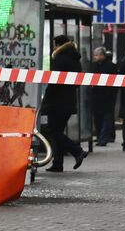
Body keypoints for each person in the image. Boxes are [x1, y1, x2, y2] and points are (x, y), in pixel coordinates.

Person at [41, 35, 88, 172]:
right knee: (58, 131)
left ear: (59, 45)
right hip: (68, 100)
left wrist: (46, 99)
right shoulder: (74, 59)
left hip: (57, 102)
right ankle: (58, 163)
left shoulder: (60, 59)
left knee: (53, 131)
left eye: (54, 44)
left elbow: (54, 82)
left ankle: (77, 150)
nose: (54, 47)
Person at [90, 47, 118, 146]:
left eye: (97, 55)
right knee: (97, 118)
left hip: (107, 96)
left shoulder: (111, 66)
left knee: (106, 118)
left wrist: (110, 94)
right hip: (96, 96)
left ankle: (104, 138)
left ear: (102, 55)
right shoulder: (93, 66)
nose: (95, 57)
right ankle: (99, 136)